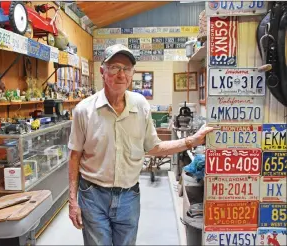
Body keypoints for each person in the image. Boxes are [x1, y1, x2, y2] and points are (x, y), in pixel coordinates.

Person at [68, 44, 213, 245]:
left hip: (129, 196)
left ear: (132, 73)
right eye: (114, 67)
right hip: (93, 195)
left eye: (126, 68)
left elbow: (153, 147)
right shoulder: (83, 110)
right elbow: (74, 155)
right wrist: (73, 201)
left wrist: (191, 141)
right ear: (102, 71)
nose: (121, 74)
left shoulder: (141, 105)